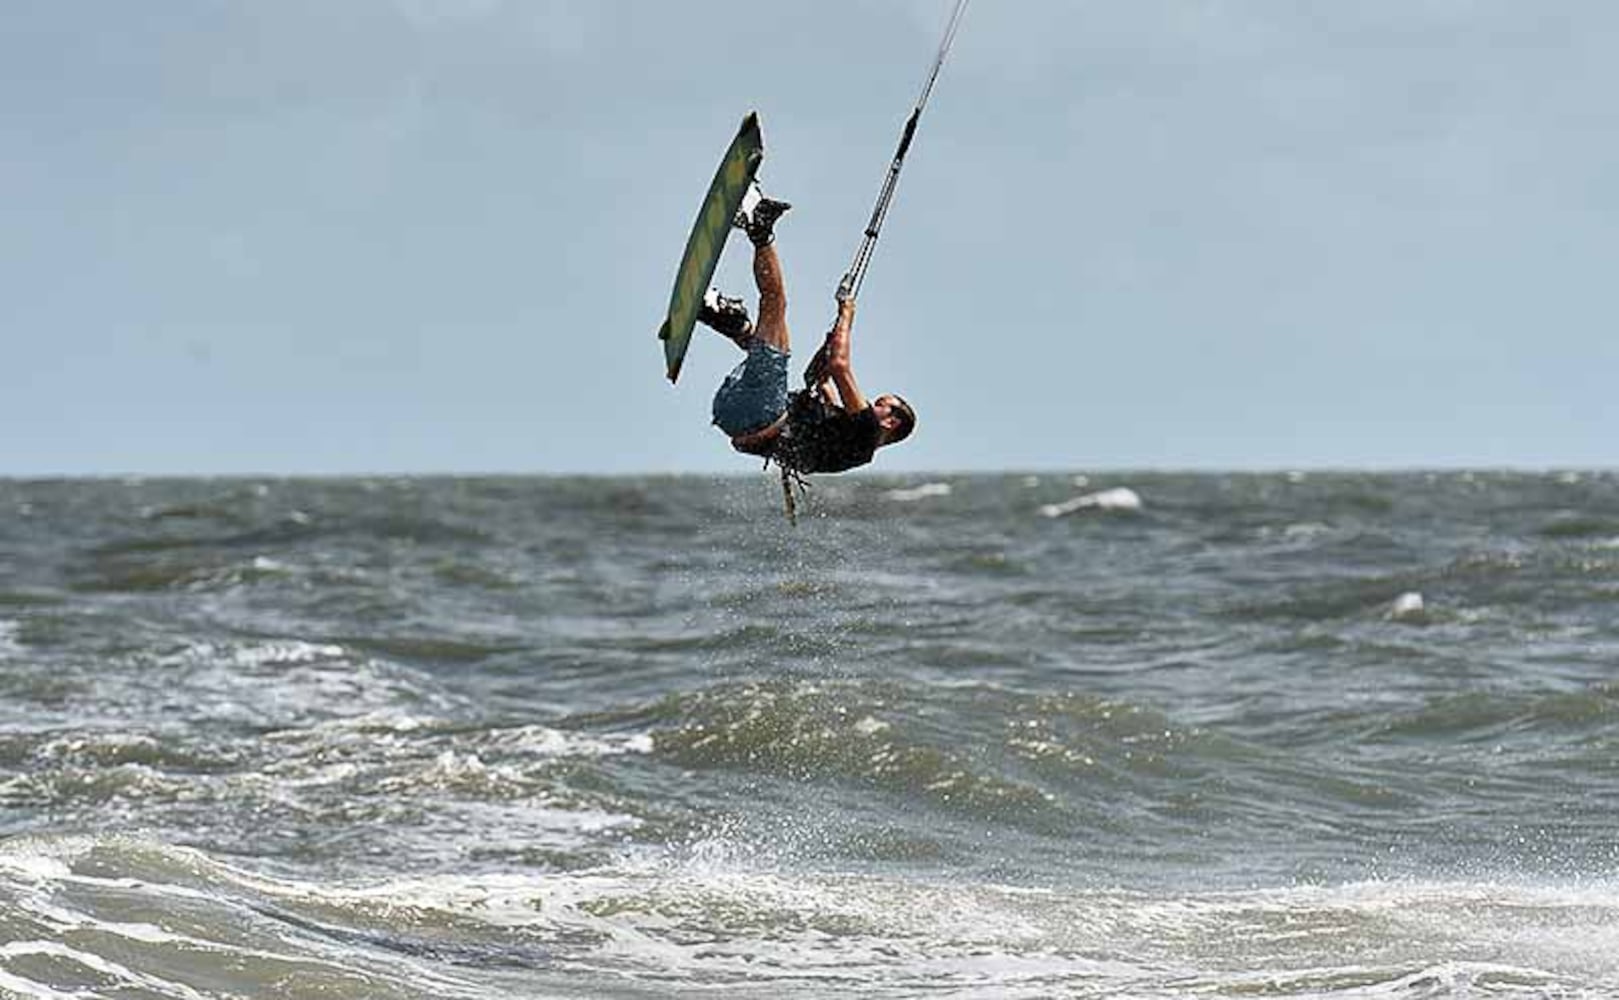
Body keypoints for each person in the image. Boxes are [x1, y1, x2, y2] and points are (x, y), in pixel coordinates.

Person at [700, 182, 916, 475]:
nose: (869, 402)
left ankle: (760, 228)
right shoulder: (850, 446)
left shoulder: (866, 430)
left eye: (880, 403)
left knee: (775, 304)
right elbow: (817, 376)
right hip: (731, 417)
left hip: (761, 412)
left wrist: (847, 314)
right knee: (767, 345)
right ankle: (729, 320)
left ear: (891, 421)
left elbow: (839, 366)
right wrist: (829, 345)